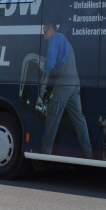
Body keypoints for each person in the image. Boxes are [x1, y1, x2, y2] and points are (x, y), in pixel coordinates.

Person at [37, 22, 92, 157]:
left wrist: (41, 93)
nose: (45, 36)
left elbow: (49, 66)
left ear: (50, 28)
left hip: (64, 84)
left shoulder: (55, 39)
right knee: (78, 118)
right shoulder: (65, 40)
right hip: (75, 84)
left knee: (52, 116)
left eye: (45, 32)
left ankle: (45, 152)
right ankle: (88, 152)